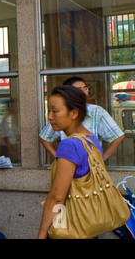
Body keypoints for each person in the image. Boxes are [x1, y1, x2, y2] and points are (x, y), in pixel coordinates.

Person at [37, 85, 104, 238]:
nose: (49, 116)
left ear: (74, 113)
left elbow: (57, 198)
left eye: (55, 111)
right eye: (49, 110)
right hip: (90, 223)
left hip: (70, 227)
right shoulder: (90, 139)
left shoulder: (69, 144)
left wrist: (41, 233)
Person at [39, 76, 124, 160]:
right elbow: (44, 137)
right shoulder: (67, 143)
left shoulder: (96, 112)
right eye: (80, 89)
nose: (85, 92)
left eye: (85, 88)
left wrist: (101, 159)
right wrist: (57, 157)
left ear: (75, 114)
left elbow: (118, 136)